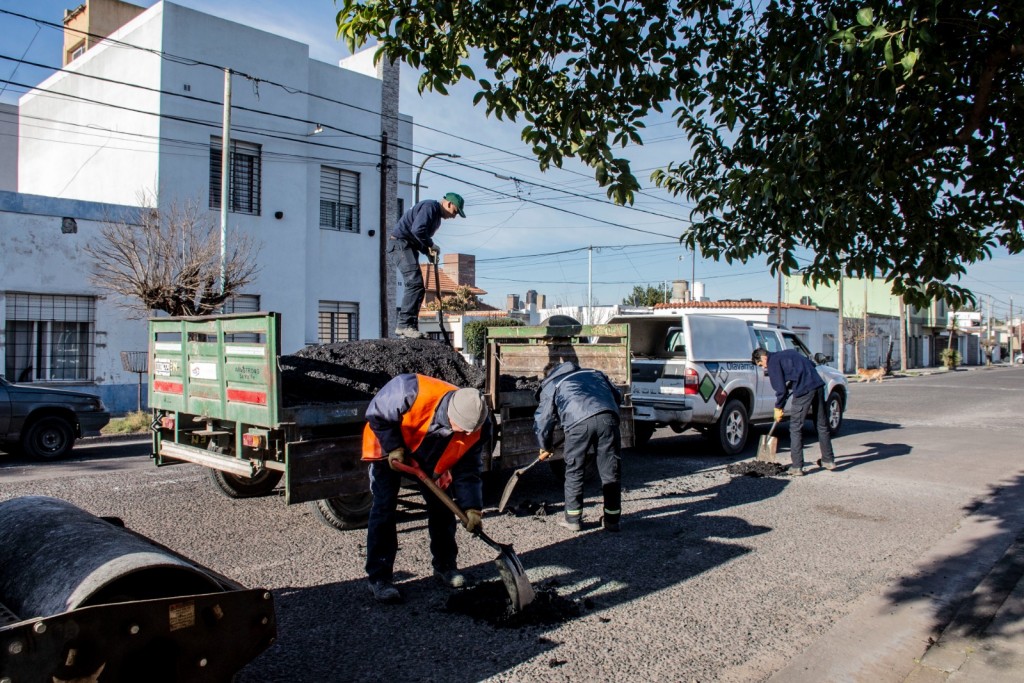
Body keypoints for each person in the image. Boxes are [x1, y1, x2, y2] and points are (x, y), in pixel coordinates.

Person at [361, 373, 490, 603]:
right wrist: (394, 447)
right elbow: (376, 413)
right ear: (452, 417)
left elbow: (468, 468)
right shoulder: (409, 390)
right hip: (387, 447)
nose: (468, 435)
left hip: (429, 453)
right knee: (384, 507)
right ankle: (379, 578)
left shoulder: (478, 423)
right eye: (463, 429)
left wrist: (472, 507)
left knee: (442, 507)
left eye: (471, 431)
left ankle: (445, 566)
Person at [534, 360, 623, 532]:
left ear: (549, 374)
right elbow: (616, 396)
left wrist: (545, 445)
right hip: (608, 418)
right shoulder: (595, 373)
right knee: (610, 470)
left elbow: (543, 420)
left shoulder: (553, 383)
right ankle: (612, 520)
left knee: (575, 470)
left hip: (578, 424)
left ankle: (573, 519)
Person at [388, 193, 466, 339]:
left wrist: (427, 252)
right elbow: (418, 230)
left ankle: (410, 326)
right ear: (448, 204)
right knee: (414, 283)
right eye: (455, 211)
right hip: (400, 244)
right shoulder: (430, 207)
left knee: (419, 287)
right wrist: (431, 245)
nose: (454, 216)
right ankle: (404, 325)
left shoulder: (436, 219)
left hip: (409, 246)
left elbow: (419, 238)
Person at [752, 347, 836, 476]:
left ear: (763, 358)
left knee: (795, 427)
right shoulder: (788, 353)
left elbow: (780, 391)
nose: (763, 367)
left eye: (761, 364)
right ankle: (828, 460)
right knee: (821, 424)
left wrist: (778, 408)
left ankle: (797, 466)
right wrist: (793, 382)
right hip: (818, 386)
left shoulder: (773, 362)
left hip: (804, 390)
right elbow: (811, 365)